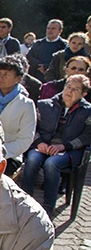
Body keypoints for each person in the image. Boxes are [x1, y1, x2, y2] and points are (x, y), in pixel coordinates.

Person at [22, 74, 91, 218]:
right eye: (68, 87)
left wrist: (65, 146)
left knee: (51, 164)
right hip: (43, 145)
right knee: (32, 160)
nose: (69, 91)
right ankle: (23, 201)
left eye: (75, 90)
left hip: (68, 150)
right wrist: (39, 142)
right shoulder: (45, 104)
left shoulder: (87, 111)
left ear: (83, 94)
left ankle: (48, 207)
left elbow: (87, 136)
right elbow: (32, 127)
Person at [0, 55, 37, 177]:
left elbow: (25, 139)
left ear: (17, 79)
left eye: (6, 74)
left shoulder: (26, 105)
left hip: (9, 155)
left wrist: (0, 151)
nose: (1, 78)